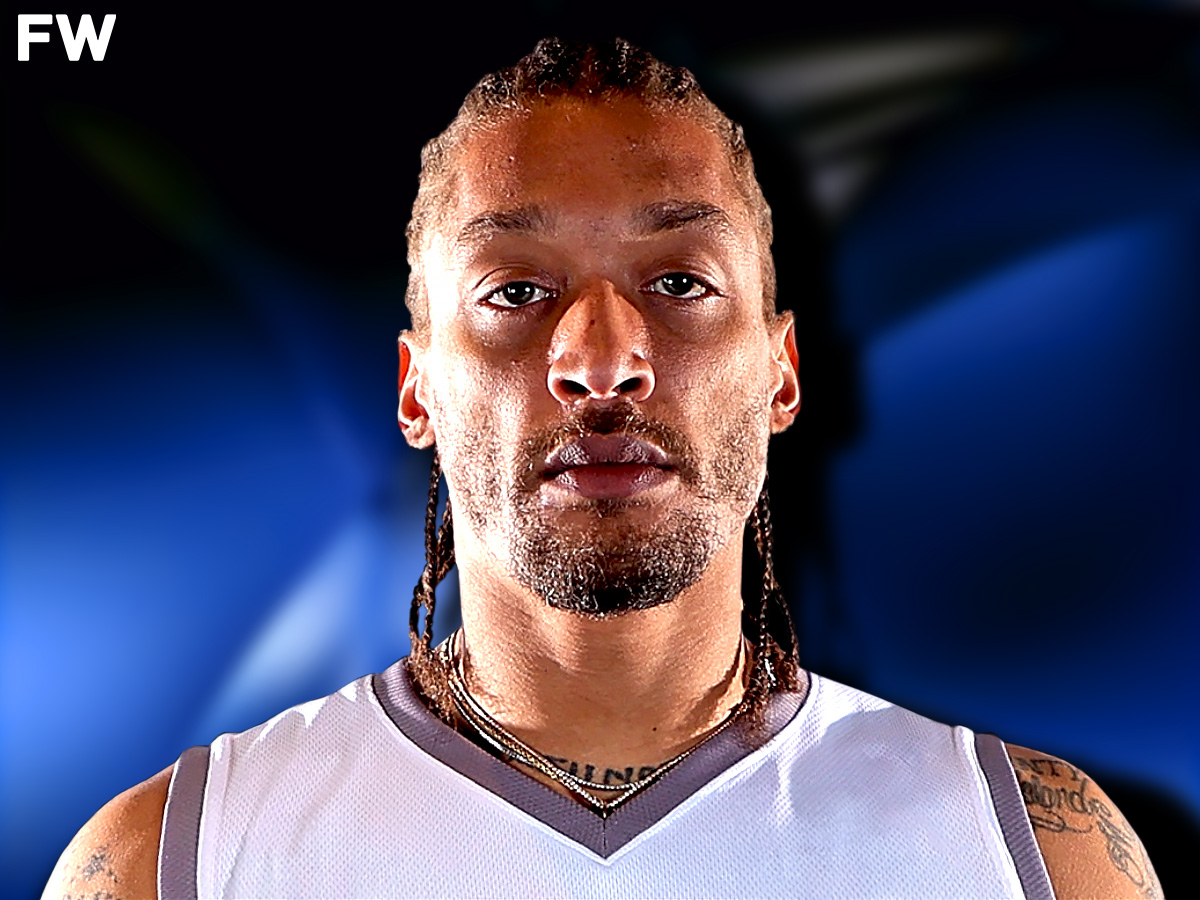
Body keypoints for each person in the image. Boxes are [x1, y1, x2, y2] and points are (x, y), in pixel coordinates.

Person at [44, 38, 1162, 900]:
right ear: (417, 388)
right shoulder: (175, 862)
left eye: (678, 283)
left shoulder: (1031, 857)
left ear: (780, 373)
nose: (601, 359)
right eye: (516, 292)